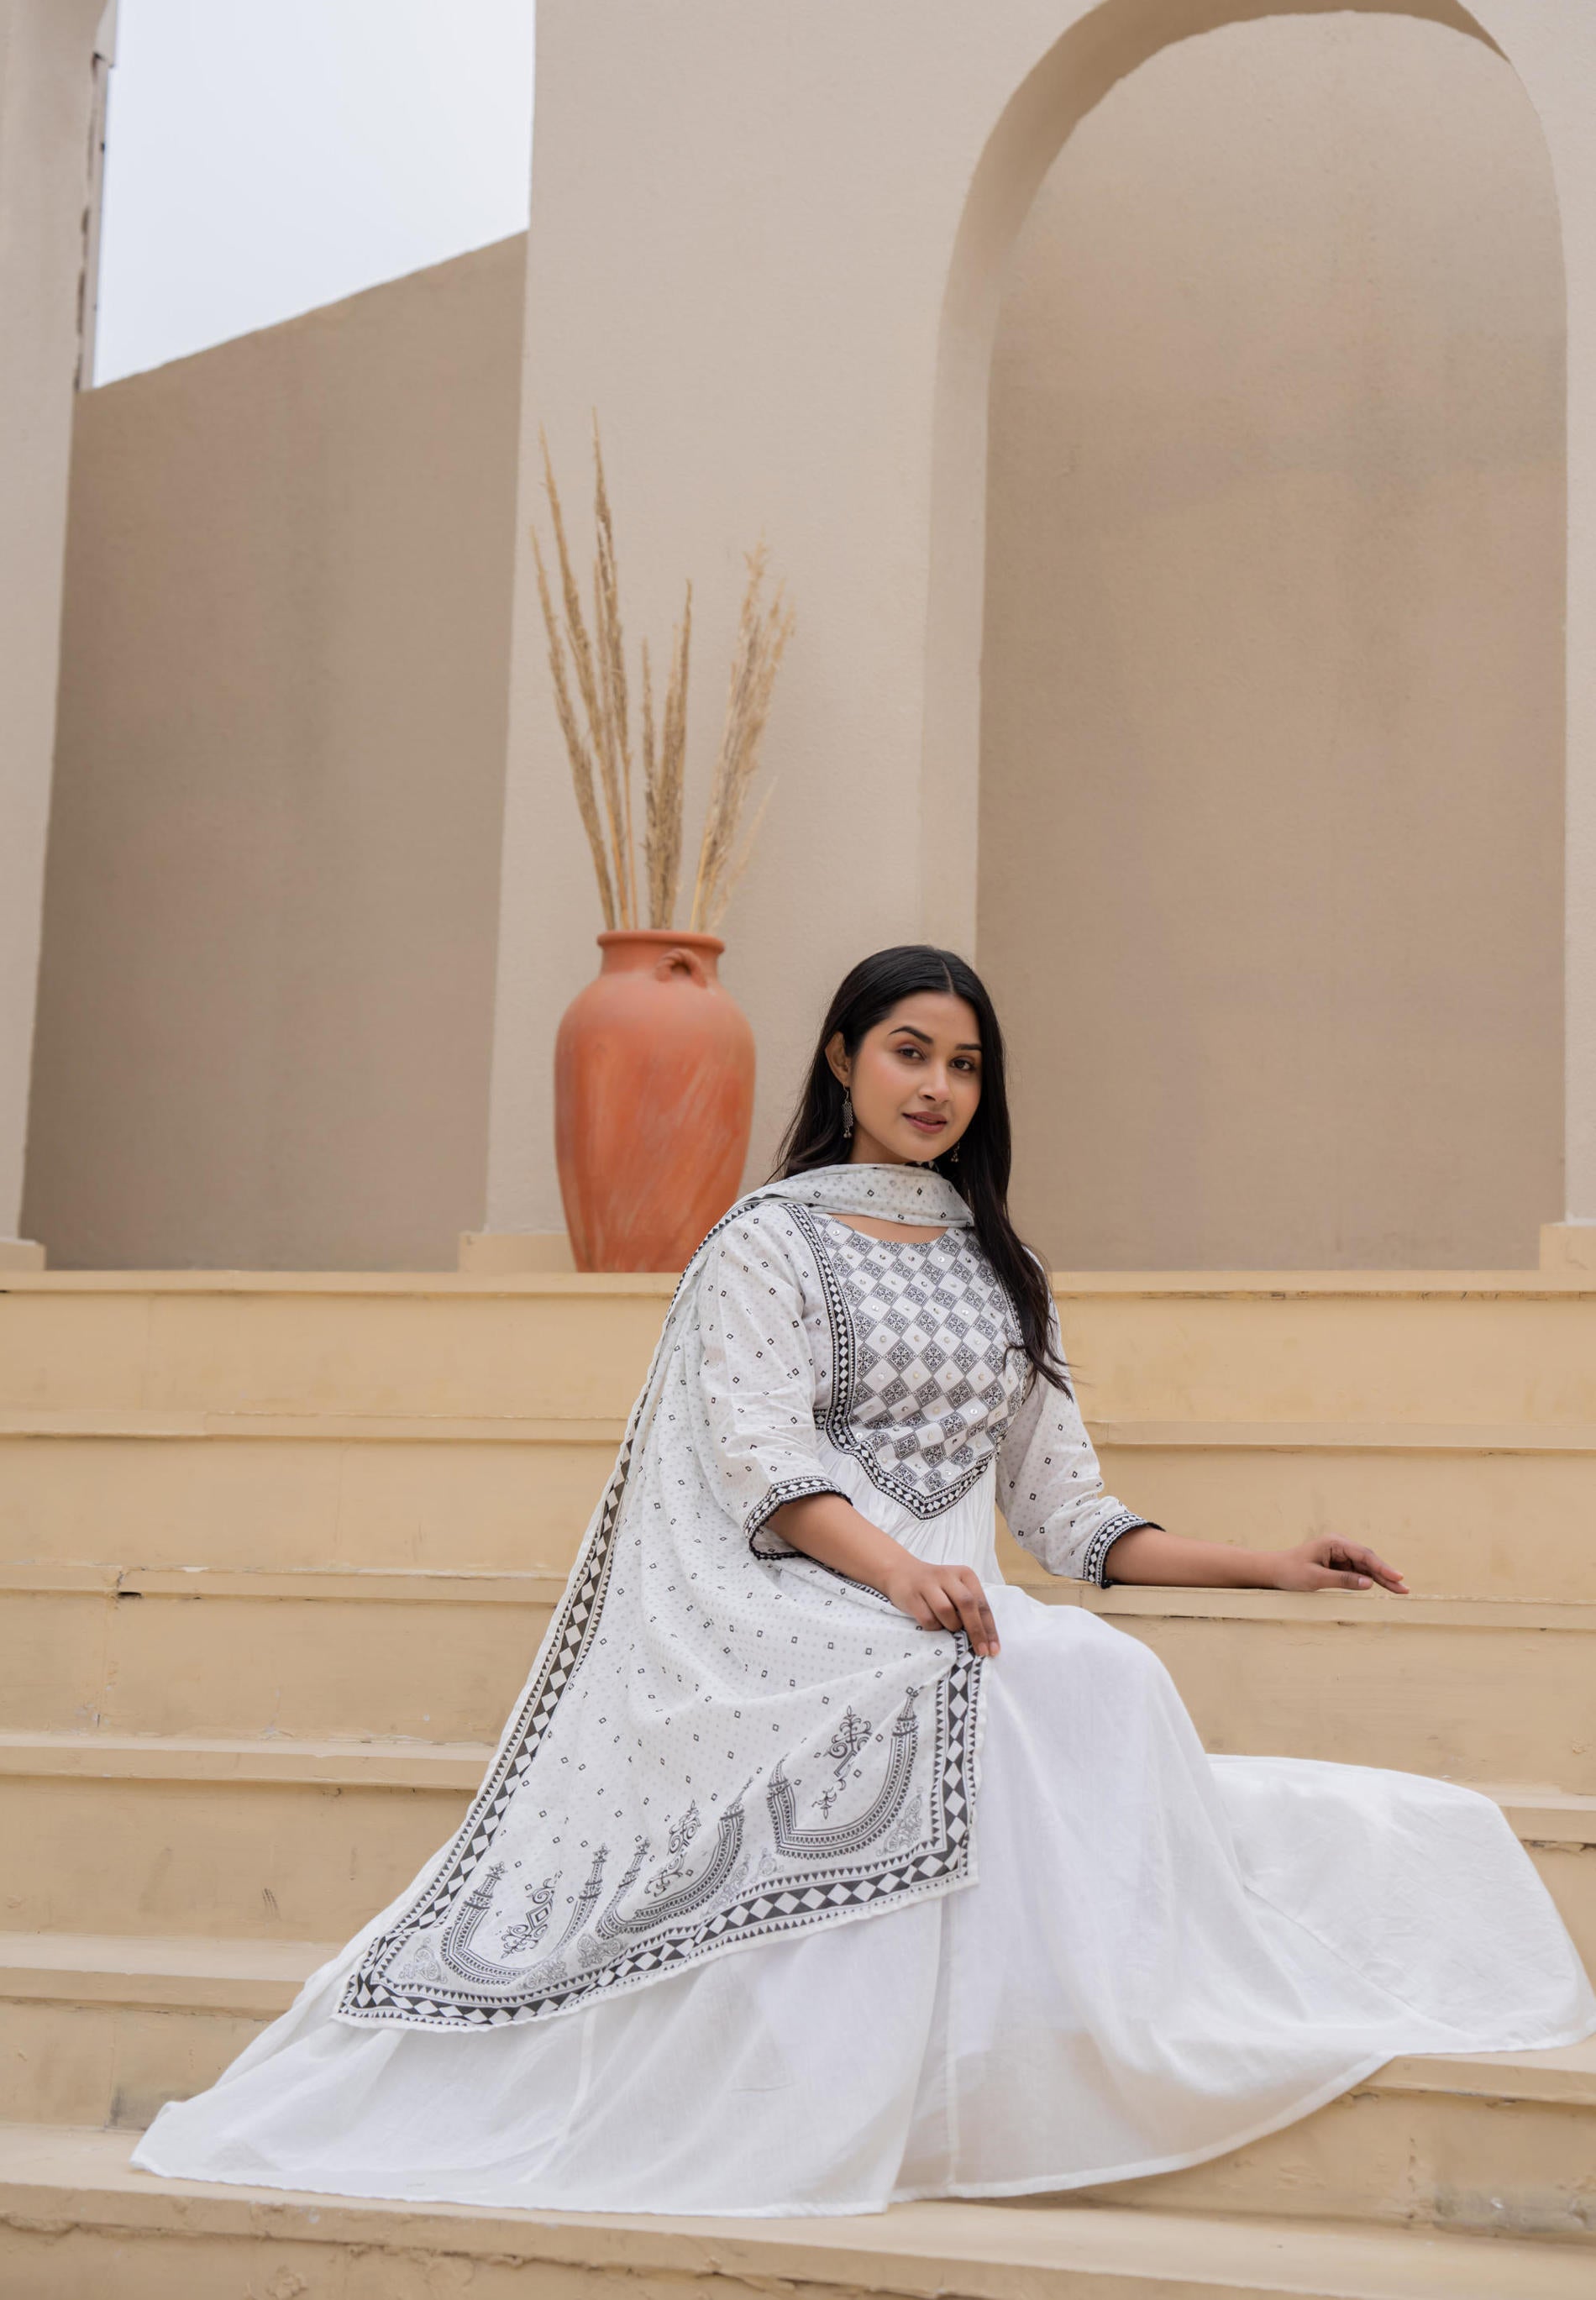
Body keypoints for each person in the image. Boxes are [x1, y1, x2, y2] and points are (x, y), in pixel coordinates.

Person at [133, 944, 1595, 2216]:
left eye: (965, 1062)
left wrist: (1269, 1563)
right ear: (843, 1058)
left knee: (1097, 1666)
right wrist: (899, 1575)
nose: (938, 1084)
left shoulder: (1001, 1266)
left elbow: (1068, 1514)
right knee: (981, 1677)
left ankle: (1090, 2036)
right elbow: (764, 1462)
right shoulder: (763, 1245)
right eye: (910, 1050)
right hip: (787, 1610)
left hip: (943, 1604)